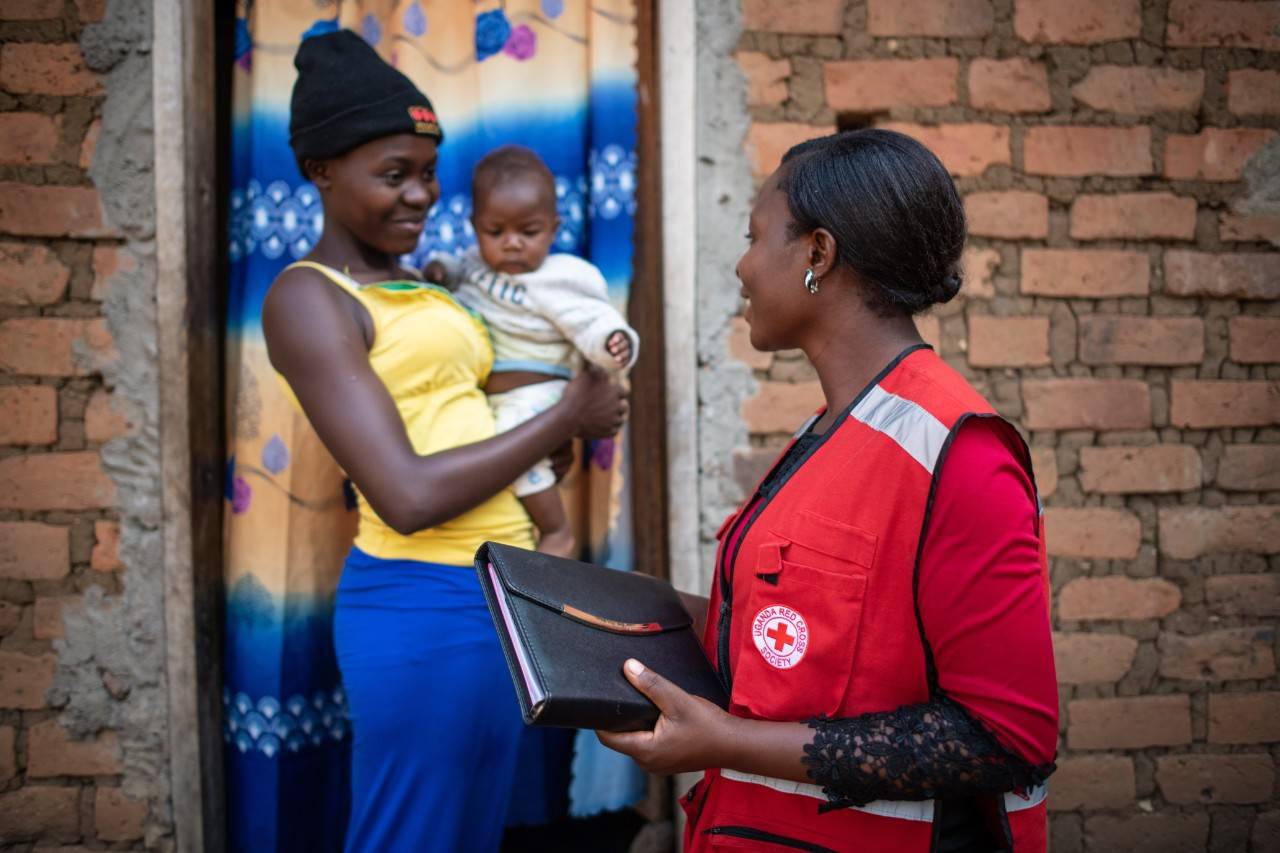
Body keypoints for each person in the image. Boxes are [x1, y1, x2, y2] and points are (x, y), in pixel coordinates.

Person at [598, 129, 1058, 853]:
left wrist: (728, 740)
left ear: (817, 252)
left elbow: (1005, 738)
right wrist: (624, 617)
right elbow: (800, 639)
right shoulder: (832, 430)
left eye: (754, 236)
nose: (742, 266)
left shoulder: (958, 452)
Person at [262, 31, 627, 853]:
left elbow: (479, 420)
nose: (420, 196)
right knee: (412, 834)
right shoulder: (309, 298)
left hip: (497, 591)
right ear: (321, 171)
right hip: (422, 600)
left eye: (427, 174)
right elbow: (409, 493)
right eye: (392, 175)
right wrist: (566, 416)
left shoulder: (429, 286)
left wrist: (563, 432)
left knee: (466, 832)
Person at [424, 145, 639, 558]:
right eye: (495, 231)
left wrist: (614, 341)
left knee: (514, 444)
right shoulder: (475, 266)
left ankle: (556, 530)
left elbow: (592, 320)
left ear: (554, 229)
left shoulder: (561, 278)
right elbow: (455, 269)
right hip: (491, 394)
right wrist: (438, 271)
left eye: (529, 231)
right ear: (474, 227)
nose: (511, 244)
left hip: (540, 393)